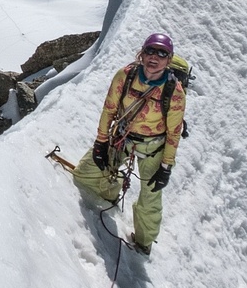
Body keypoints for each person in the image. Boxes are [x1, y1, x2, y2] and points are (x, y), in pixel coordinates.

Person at [72, 32, 186, 256]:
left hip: (154, 148)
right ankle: (109, 192)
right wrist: (101, 143)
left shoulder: (174, 92)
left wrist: (166, 167)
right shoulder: (125, 76)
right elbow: (110, 109)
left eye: (162, 53)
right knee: (85, 173)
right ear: (141, 54)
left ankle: (144, 242)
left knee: (150, 196)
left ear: (169, 59)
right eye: (150, 51)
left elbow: (174, 132)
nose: (155, 57)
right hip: (121, 137)